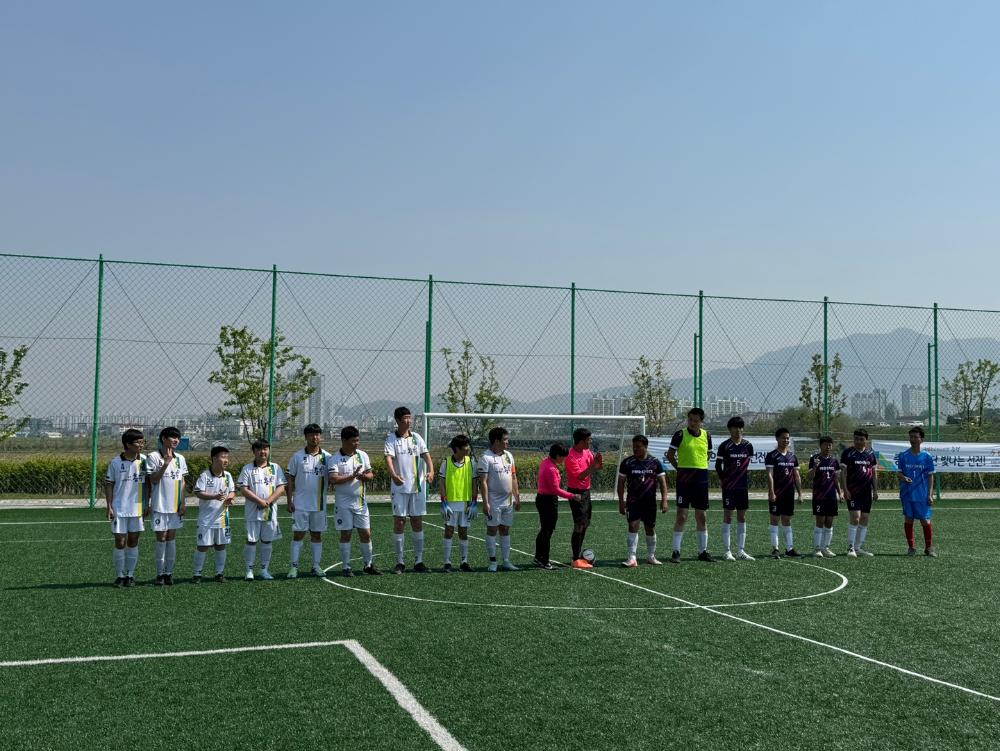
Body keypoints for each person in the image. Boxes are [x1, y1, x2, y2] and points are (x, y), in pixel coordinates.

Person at [384, 406, 435, 574]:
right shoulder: (391, 438)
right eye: (405, 418)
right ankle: (400, 562)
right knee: (399, 522)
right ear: (398, 420)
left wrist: (431, 470)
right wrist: (393, 475)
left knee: (417, 522)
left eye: (410, 417)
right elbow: (389, 459)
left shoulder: (417, 438)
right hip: (399, 488)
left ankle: (419, 561)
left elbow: (426, 455)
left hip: (417, 487)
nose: (409, 420)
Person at [330, 425, 379, 577]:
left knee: (366, 534)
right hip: (343, 504)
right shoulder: (334, 458)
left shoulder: (363, 456)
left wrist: (365, 477)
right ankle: (346, 566)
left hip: (361, 503)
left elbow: (370, 474)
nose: (357, 443)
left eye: (358, 440)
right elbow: (333, 479)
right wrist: (351, 476)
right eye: (353, 441)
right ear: (344, 440)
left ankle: (368, 564)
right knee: (346, 535)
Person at [666, 407, 713, 563]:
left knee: (702, 516)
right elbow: (670, 454)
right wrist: (679, 469)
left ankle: (703, 551)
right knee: (682, 516)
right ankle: (676, 551)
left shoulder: (707, 435)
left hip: (701, 479)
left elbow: (708, 454)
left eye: (696, 420)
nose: (692, 423)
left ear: (701, 421)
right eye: (690, 420)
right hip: (685, 481)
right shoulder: (680, 435)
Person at [286, 424, 332, 578]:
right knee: (298, 535)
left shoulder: (328, 457)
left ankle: (316, 566)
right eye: (311, 435)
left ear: (321, 436)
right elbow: (290, 479)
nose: (315, 437)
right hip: (300, 504)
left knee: (317, 535)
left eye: (317, 434)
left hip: (319, 504)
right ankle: (294, 567)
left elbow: (333, 478)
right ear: (305, 437)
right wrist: (289, 500)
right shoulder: (297, 456)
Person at [105, 428, 148, 588]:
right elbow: (109, 484)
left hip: (137, 509)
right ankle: (119, 576)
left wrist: (147, 504)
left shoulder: (144, 461)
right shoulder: (115, 462)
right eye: (138, 442)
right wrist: (109, 506)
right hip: (119, 509)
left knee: (133, 541)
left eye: (143, 442)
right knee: (120, 541)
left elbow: (149, 484)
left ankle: (130, 575)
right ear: (127, 444)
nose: (141, 445)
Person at [238, 438, 286, 581]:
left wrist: (268, 502)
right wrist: (259, 501)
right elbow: (243, 489)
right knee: (251, 541)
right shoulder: (247, 468)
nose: (262, 452)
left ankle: (264, 570)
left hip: (269, 511)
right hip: (252, 511)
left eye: (265, 449)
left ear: (269, 451)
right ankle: (249, 570)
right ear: (253, 451)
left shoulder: (275, 468)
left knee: (267, 541)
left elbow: (281, 487)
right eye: (259, 449)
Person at [618, 435, 669, 567]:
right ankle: (632, 558)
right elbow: (621, 484)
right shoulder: (627, 463)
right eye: (634, 447)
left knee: (649, 528)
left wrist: (664, 501)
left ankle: (651, 556)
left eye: (638, 447)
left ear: (646, 447)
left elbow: (663, 483)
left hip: (649, 502)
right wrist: (621, 502)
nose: (635, 449)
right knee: (633, 526)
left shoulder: (655, 462)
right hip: (633, 501)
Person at [146, 426, 188, 586]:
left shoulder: (181, 459)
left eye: (178, 437)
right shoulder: (153, 456)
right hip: (159, 505)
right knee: (161, 538)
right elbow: (153, 480)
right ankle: (159, 573)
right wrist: (165, 464)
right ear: (164, 438)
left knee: (171, 538)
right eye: (173, 437)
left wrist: (183, 502)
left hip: (175, 506)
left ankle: (169, 573)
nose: (176, 440)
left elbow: (182, 481)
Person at [478, 426, 521, 572]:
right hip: (493, 501)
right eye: (505, 440)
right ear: (496, 441)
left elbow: (513, 477)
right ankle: (493, 561)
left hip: (508, 501)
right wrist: (485, 503)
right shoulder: (485, 457)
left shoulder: (509, 455)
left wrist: (517, 497)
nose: (507, 442)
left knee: (505, 529)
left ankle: (506, 561)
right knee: (492, 529)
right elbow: (482, 481)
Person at [192, 445, 236, 583]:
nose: (226, 460)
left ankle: (219, 573)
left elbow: (233, 491)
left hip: (222, 518)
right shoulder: (205, 475)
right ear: (214, 458)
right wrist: (214, 497)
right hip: (206, 519)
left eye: (227, 457)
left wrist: (231, 497)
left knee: (221, 545)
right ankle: (197, 574)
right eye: (223, 457)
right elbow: (198, 492)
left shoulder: (228, 476)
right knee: (203, 546)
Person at [534, 443, 580, 570]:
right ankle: (544, 560)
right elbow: (556, 490)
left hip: (543, 499)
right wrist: (573, 496)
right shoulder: (551, 469)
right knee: (547, 531)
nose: (564, 459)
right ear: (557, 455)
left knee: (544, 530)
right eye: (563, 457)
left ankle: (539, 557)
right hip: (547, 501)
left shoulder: (546, 462)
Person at [715, 416, 755, 561]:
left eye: (740, 427)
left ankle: (741, 550)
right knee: (728, 516)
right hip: (729, 487)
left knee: (742, 517)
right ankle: (727, 551)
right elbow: (718, 466)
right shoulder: (725, 446)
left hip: (742, 487)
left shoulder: (748, 445)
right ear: (730, 429)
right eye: (734, 428)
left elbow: (746, 464)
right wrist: (723, 480)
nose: (737, 430)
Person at [438, 434, 478, 572]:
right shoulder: (446, 462)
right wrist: (443, 502)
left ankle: (464, 561)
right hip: (450, 503)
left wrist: (474, 502)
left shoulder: (471, 462)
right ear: (456, 449)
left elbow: (474, 482)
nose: (468, 449)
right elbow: (442, 482)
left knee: (463, 532)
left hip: (466, 503)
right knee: (449, 531)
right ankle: (447, 562)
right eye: (465, 447)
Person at [564, 427, 603, 569]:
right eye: (588, 439)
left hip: (586, 492)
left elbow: (595, 467)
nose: (590, 441)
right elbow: (580, 475)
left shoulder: (587, 452)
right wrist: (595, 466)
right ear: (581, 441)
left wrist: (598, 463)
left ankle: (579, 555)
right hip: (576, 493)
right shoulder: (570, 456)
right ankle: (575, 558)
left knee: (585, 523)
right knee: (579, 524)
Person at [896, 426, 936, 557]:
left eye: (915, 437)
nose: (912, 439)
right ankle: (911, 547)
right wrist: (903, 477)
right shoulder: (903, 456)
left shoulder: (927, 457)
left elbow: (930, 476)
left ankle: (929, 548)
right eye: (911, 437)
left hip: (922, 494)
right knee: (909, 519)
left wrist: (930, 494)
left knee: (925, 520)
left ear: (922, 439)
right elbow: (899, 473)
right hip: (907, 493)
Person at [765, 427, 803, 558]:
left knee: (787, 520)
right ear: (777, 439)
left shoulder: (793, 457)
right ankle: (775, 549)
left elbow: (796, 476)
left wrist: (800, 493)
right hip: (777, 493)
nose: (786, 440)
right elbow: (770, 475)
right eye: (783, 438)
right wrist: (771, 492)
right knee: (775, 520)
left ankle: (789, 549)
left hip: (789, 493)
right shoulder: (772, 455)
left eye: (787, 438)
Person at [840, 428, 878, 557]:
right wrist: (845, 490)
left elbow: (873, 474)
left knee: (865, 518)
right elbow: (843, 474)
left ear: (866, 440)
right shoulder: (848, 453)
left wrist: (875, 490)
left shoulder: (870, 454)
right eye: (856, 439)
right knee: (855, 517)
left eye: (861, 439)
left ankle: (858, 547)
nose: (858, 441)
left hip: (866, 492)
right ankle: (850, 547)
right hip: (853, 491)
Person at [807, 436, 841, 558]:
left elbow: (836, 478)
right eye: (825, 445)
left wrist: (840, 492)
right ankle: (817, 549)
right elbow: (810, 477)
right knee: (820, 521)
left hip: (831, 495)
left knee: (829, 522)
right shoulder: (814, 459)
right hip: (819, 496)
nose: (828, 447)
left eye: (830, 445)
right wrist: (815, 467)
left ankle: (825, 547)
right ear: (820, 446)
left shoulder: (834, 461)